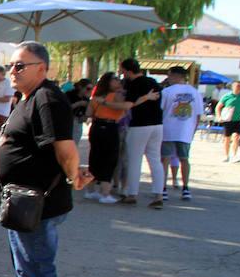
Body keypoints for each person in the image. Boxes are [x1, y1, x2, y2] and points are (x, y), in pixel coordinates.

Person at [0, 42, 93, 277]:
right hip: (21, 200)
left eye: (20, 66)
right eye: (11, 66)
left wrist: (74, 174)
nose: (13, 71)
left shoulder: (47, 98)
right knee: (26, 268)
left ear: (42, 68)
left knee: (37, 270)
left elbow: (64, 147)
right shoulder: (27, 97)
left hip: (38, 203)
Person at [119, 58, 164, 208]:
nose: (122, 73)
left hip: (140, 124)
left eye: (123, 70)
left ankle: (132, 194)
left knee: (134, 159)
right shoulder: (152, 82)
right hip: (157, 123)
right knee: (155, 159)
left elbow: (128, 105)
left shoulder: (133, 84)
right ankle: (158, 194)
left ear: (128, 71)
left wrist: (143, 98)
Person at [159, 65, 202, 200]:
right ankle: (185, 187)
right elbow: (199, 114)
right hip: (185, 130)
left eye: (170, 75)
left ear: (177, 76)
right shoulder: (195, 92)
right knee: (184, 159)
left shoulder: (166, 92)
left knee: (165, 158)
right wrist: (193, 130)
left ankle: (163, 188)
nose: (169, 78)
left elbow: (161, 109)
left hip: (168, 129)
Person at [83, 72, 127, 204]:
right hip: (110, 126)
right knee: (110, 158)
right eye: (116, 80)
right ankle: (105, 192)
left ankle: (90, 190)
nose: (118, 82)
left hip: (96, 126)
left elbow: (88, 113)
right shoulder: (116, 95)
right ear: (109, 82)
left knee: (95, 157)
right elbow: (125, 107)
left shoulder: (96, 97)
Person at [217, 81, 240, 162]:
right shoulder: (226, 96)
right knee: (227, 138)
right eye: (237, 86)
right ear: (233, 87)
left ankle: (234, 155)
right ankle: (226, 155)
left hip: (238, 120)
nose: (239, 87)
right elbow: (218, 107)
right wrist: (219, 116)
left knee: (236, 137)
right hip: (228, 120)